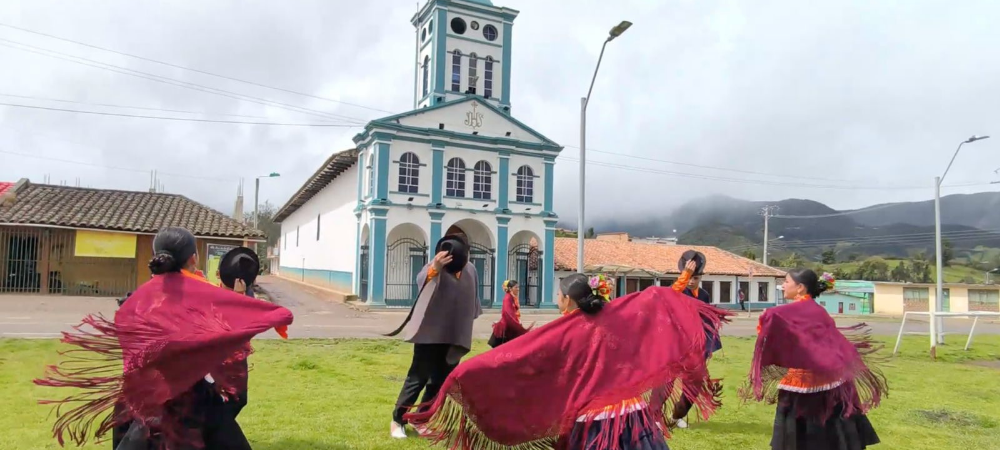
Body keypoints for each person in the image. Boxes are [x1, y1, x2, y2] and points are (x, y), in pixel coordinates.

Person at [403, 273, 731, 450]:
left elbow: (515, 358)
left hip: (596, 428)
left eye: (558, 295)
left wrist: (464, 374)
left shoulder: (561, 333)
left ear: (566, 301)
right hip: (634, 417)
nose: (557, 300)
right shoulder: (619, 320)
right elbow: (656, 300)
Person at [35, 227, 293, 450]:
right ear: (194, 258)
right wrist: (274, 314)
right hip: (190, 402)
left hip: (142, 399)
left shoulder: (137, 299)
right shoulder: (202, 295)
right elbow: (235, 321)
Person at [741, 269, 886, 450]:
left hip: (802, 385)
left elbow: (770, 328)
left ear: (800, 287)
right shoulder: (819, 311)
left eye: (786, 281)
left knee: (799, 438)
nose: (782, 285)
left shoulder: (784, 312)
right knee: (828, 433)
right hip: (831, 380)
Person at [386, 234, 482, 439]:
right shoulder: (434, 266)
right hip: (429, 334)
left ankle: (421, 419)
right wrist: (435, 269)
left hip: (454, 334)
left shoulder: (471, 270)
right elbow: (421, 282)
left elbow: (473, 300)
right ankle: (397, 420)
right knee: (417, 378)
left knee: (440, 382)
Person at [669, 251, 723, 429]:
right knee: (665, 383)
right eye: (689, 277)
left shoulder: (704, 295)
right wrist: (685, 275)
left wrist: (708, 347)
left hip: (695, 348)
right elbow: (670, 298)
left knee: (694, 384)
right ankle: (654, 416)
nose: (692, 281)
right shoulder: (677, 290)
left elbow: (706, 323)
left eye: (696, 277)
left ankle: (678, 415)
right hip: (674, 345)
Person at [488, 280, 529, 348]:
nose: (518, 289)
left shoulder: (512, 297)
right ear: (510, 289)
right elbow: (507, 313)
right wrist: (516, 324)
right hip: (506, 328)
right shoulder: (507, 298)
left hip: (510, 326)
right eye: (516, 287)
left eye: (518, 287)